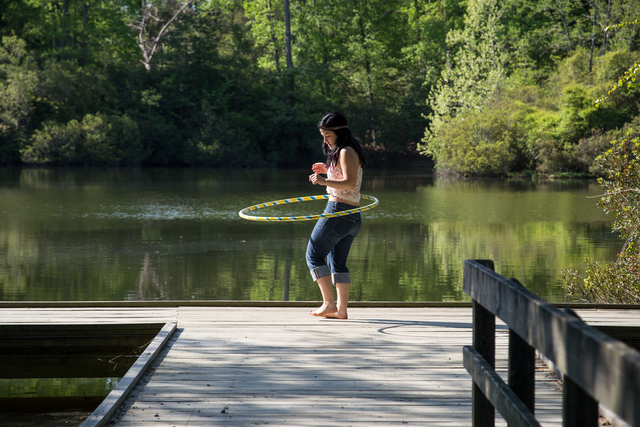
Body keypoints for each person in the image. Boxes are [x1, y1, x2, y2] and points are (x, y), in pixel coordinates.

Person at [306, 112, 366, 319]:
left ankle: (329, 303)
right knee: (337, 263)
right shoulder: (345, 152)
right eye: (322, 135)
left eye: (328, 135)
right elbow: (345, 176)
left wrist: (324, 181)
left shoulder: (346, 151)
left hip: (338, 212)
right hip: (351, 215)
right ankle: (340, 310)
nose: (325, 140)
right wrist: (329, 169)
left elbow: (349, 182)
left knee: (313, 255)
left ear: (340, 132)